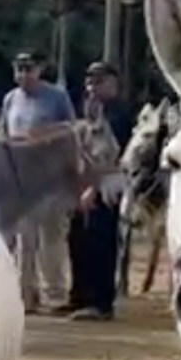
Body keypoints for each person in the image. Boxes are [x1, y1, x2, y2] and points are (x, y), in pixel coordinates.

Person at [0, 51, 76, 315]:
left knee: (50, 239)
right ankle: (24, 296)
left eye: (28, 69)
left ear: (40, 69)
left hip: (50, 179)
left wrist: (46, 135)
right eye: (18, 69)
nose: (23, 74)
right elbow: (4, 135)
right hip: (20, 179)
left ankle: (54, 295)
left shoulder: (56, 97)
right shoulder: (10, 99)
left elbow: (72, 129)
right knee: (24, 240)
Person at [68, 61, 134, 321]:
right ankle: (80, 295)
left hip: (108, 183)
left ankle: (100, 302)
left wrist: (93, 188)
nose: (92, 87)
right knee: (78, 239)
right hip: (84, 181)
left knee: (100, 241)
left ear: (112, 84)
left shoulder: (118, 115)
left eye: (98, 81)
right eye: (90, 81)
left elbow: (109, 155)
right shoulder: (90, 110)